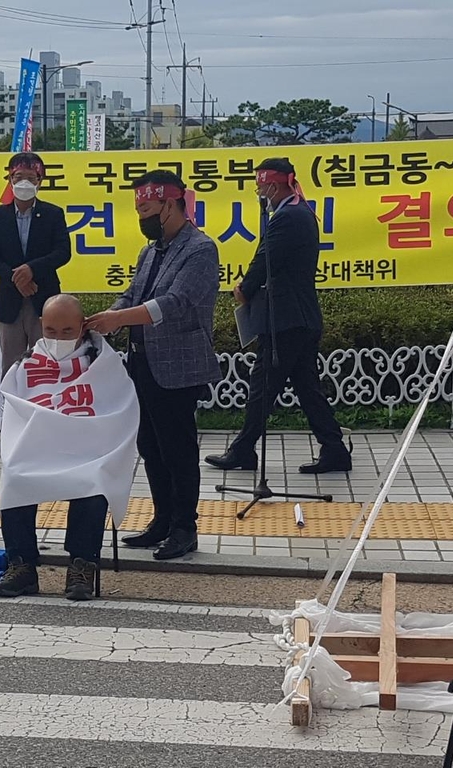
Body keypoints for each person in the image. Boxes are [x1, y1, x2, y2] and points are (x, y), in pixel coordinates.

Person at [86, 170, 220, 561]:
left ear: (170, 203)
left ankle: (184, 528)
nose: (142, 216)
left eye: (146, 208)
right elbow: (132, 294)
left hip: (178, 365)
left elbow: (177, 302)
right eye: (137, 210)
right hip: (142, 362)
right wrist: (105, 320)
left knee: (177, 447)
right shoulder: (151, 250)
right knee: (150, 444)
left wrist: (120, 319)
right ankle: (162, 519)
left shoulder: (200, 249)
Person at [205, 158, 352, 475]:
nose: (259, 192)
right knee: (306, 388)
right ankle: (335, 449)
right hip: (299, 316)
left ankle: (243, 450)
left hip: (285, 318)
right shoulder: (301, 211)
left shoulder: (287, 217)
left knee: (263, 386)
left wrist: (244, 287)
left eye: (260, 186)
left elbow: (265, 259)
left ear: (272, 185)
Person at [0, 294, 138, 601]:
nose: (59, 338)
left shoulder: (101, 360)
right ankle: (22, 566)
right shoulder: (28, 362)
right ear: (42, 325)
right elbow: (14, 403)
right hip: (38, 445)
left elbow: (119, 403)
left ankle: (82, 565)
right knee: (14, 474)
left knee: (95, 479)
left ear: (83, 326)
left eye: (68, 332)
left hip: (87, 445)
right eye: (52, 332)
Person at [0, 151, 71, 452]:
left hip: (44, 301)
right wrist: (16, 278)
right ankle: (11, 430)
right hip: (10, 301)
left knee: (44, 366)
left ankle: (45, 429)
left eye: (30, 178)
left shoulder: (53, 214)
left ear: (40, 181)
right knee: (12, 368)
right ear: (9, 179)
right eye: (17, 177)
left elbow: (63, 252)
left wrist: (32, 270)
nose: (23, 183)